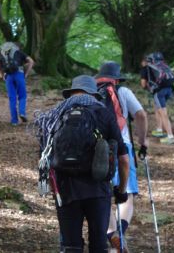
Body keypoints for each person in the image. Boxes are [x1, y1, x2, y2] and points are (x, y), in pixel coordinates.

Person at [35, 75, 129, 252]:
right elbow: (124, 159)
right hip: (98, 188)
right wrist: (121, 191)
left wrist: (47, 187)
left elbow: (44, 157)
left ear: (71, 92)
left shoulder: (55, 115)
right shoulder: (104, 114)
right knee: (99, 244)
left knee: (70, 246)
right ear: (93, 94)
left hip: (65, 189)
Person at [96, 61, 148, 252]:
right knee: (125, 195)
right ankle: (120, 233)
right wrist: (143, 142)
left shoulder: (90, 92)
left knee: (103, 196)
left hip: (96, 149)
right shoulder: (123, 92)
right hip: (121, 146)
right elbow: (141, 115)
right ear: (116, 79)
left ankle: (112, 237)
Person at [0, 42, 34, 125]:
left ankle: (14, 121)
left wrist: (2, 77)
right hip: (19, 74)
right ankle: (22, 113)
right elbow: (31, 61)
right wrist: (26, 74)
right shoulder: (19, 52)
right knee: (22, 96)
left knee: (12, 98)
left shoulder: (2, 55)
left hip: (8, 76)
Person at [140, 53, 174, 144]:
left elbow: (143, 84)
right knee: (157, 107)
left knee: (163, 112)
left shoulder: (146, 68)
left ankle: (170, 136)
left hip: (159, 91)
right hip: (169, 89)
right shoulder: (163, 66)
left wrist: (149, 87)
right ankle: (159, 130)